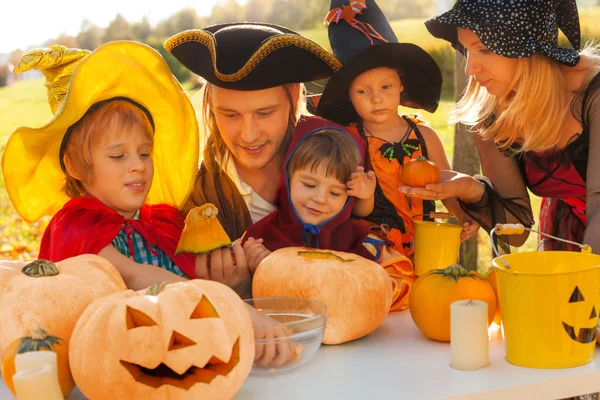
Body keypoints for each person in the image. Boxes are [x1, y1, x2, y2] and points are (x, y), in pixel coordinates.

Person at [2, 41, 299, 368]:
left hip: (179, 356)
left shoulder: (163, 221)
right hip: (115, 364)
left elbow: (193, 277)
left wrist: (237, 272)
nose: (138, 165)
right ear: (74, 166)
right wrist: (237, 310)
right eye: (118, 156)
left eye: (145, 153)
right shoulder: (76, 225)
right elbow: (135, 275)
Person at [164, 22, 376, 289]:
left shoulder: (332, 154)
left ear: (294, 97)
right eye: (230, 115)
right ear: (210, 106)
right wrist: (238, 288)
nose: (249, 135)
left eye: (264, 113)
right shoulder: (192, 195)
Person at [397, 0, 600, 253]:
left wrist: (586, 279)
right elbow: (516, 232)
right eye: (467, 50)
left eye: (483, 49)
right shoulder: (491, 113)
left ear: (526, 49)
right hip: (571, 234)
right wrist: (470, 189)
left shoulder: (592, 95)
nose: (470, 68)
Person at [314, 0, 479, 258]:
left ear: (401, 84)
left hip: (428, 245)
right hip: (378, 253)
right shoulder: (350, 142)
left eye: (386, 87)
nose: (376, 98)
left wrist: (458, 213)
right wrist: (364, 195)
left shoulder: (424, 136)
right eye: (362, 91)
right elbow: (356, 210)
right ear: (349, 95)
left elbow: (445, 183)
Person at [242, 116, 416, 311]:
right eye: (309, 185)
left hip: (352, 336)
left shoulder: (357, 241)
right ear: (288, 178)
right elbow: (237, 295)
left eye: (335, 193)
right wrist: (252, 269)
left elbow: (399, 280)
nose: (320, 198)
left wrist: (361, 286)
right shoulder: (263, 236)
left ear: (349, 198)